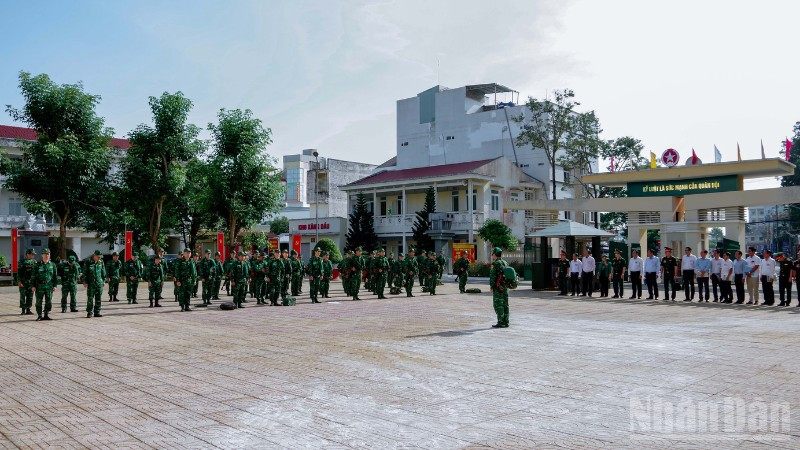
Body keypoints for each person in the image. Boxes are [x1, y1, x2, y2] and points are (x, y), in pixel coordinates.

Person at [32, 248, 58, 321]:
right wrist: (33, 286)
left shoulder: (53, 265)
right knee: (39, 301)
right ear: (41, 255)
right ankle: (39, 315)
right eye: (45, 254)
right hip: (40, 285)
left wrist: (55, 285)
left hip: (49, 285)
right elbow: (33, 276)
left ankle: (46, 314)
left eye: (48, 254)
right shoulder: (37, 265)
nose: (47, 255)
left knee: (49, 301)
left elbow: (55, 277)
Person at [489, 247, 509, 328]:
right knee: (505, 304)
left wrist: (492, 287)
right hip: (505, 287)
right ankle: (506, 321)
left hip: (498, 287)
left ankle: (501, 322)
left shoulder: (495, 263)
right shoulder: (505, 262)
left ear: (494, 254)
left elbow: (493, 276)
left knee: (498, 304)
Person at [83, 250, 107, 318]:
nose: (99, 258)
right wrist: (85, 282)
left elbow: (103, 272)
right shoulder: (88, 262)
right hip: (91, 283)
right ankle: (89, 312)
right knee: (90, 299)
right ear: (94, 255)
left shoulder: (101, 262)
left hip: (99, 283)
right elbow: (85, 273)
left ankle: (97, 312)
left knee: (98, 298)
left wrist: (104, 281)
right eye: (98, 257)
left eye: (100, 257)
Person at [17, 248, 36, 315]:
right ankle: (23, 310)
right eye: (32, 254)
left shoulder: (34, 262)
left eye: (33, 254)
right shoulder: (22, 262)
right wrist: (19, 281)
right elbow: (19, 272)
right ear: (27, 254)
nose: (33, 255)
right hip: (23, 282)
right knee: (23, 296)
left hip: (31, 282)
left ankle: (28, 309)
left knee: (30, 296)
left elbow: (36, 273)